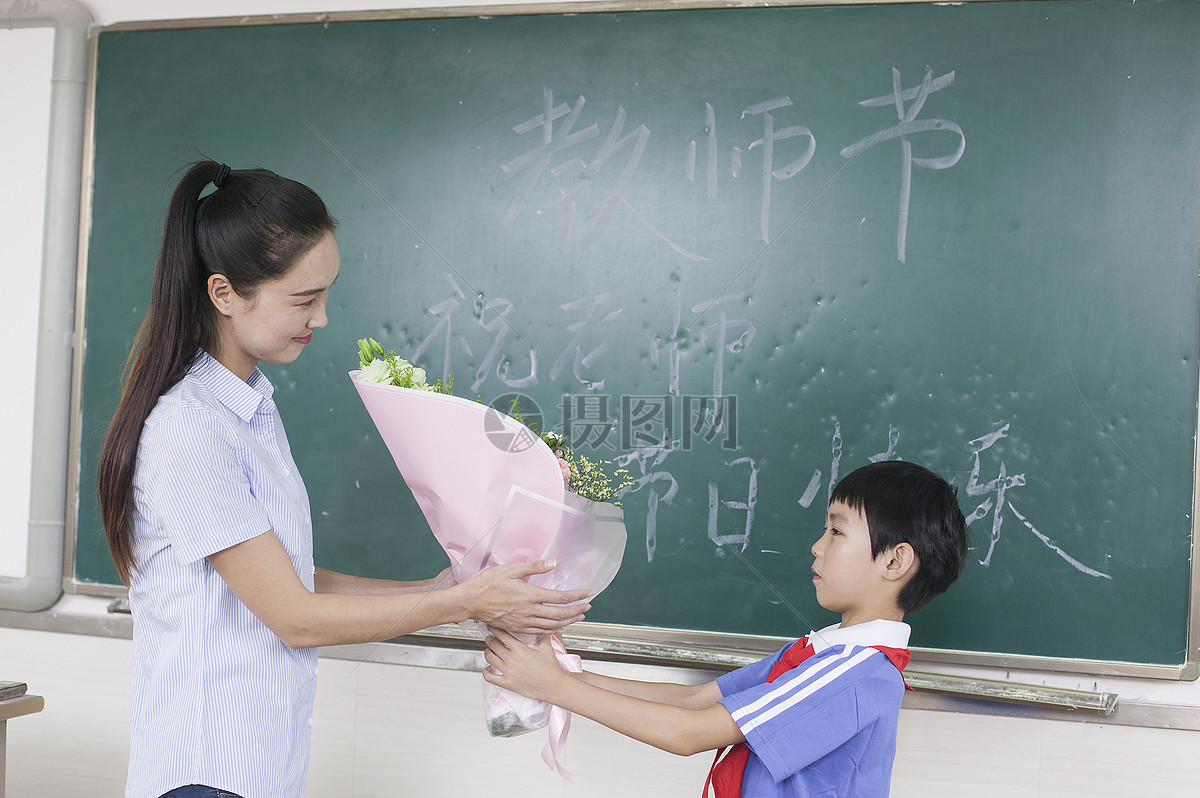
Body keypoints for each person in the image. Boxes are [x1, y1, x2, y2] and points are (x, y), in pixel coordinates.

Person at [96, 160, 592, 798]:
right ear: (223, 294)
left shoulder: (250, 406)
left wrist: (436, 588)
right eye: (303, 300)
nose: (322, 318)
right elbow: (294, 616)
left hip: (258, 769)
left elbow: (287, 573)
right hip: (207, 772)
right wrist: (465, 603)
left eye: (324, 295)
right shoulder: (191, 428)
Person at [484, 459, 969, 798]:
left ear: (896, 560)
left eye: (836, 531)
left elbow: (689, 733)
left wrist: (552, 686)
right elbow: (695, 701)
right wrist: (562, 677)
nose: (817, 547)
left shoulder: (857, 674)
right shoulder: (820, 652)